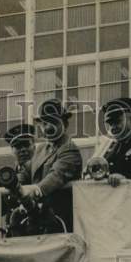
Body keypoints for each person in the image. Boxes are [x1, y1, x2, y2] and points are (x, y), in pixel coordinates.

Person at [19, 98, 82, 233]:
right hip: (35, 222)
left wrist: (35, 191)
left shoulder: (69, 149)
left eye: (52, 122)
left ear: (64, 124)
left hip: (59, 223)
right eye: (43, 123)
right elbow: (25, 173)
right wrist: (13, 185)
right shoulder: (40, 149)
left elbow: (56, 176)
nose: (46, 127)